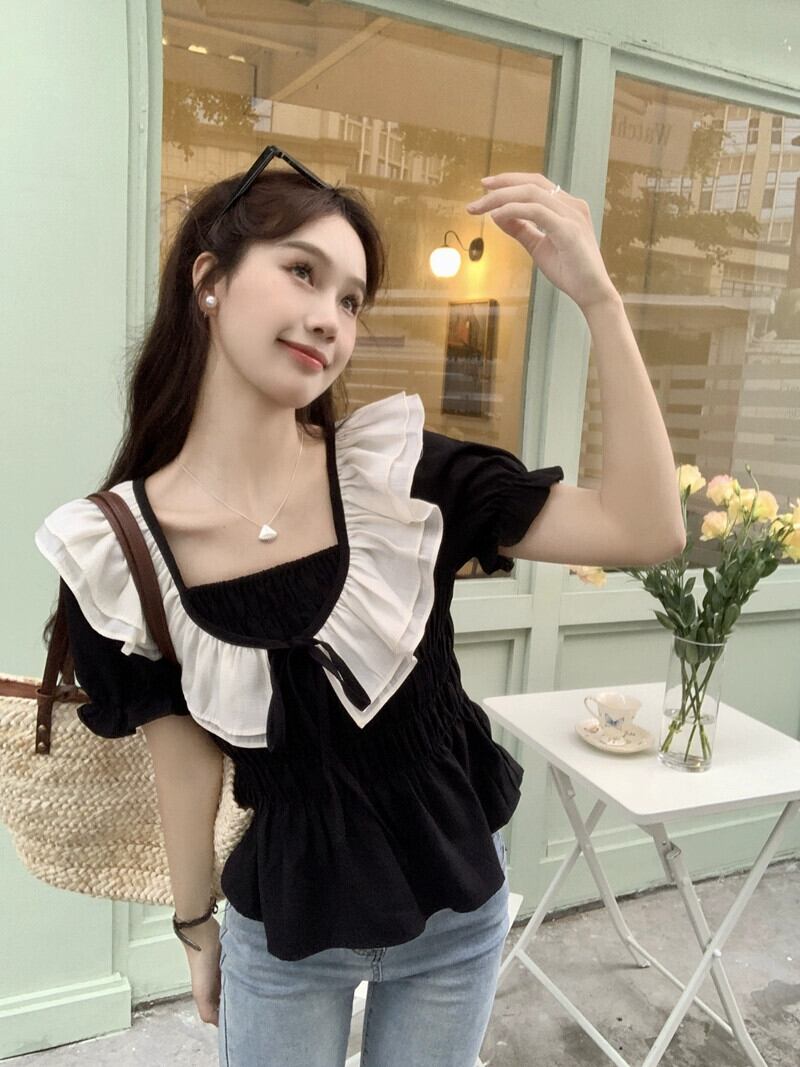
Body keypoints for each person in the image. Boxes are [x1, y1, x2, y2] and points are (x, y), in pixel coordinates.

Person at [34, 148, 685, 1066]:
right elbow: (185, 762)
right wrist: (193, 922)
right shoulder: (122, 549)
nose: (328, 319)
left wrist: (600, 300)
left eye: (350, 300)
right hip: (285, 931)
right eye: (302, 272)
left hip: (455, 908)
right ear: (210, 280)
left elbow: (645, 527)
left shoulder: (402, 480)